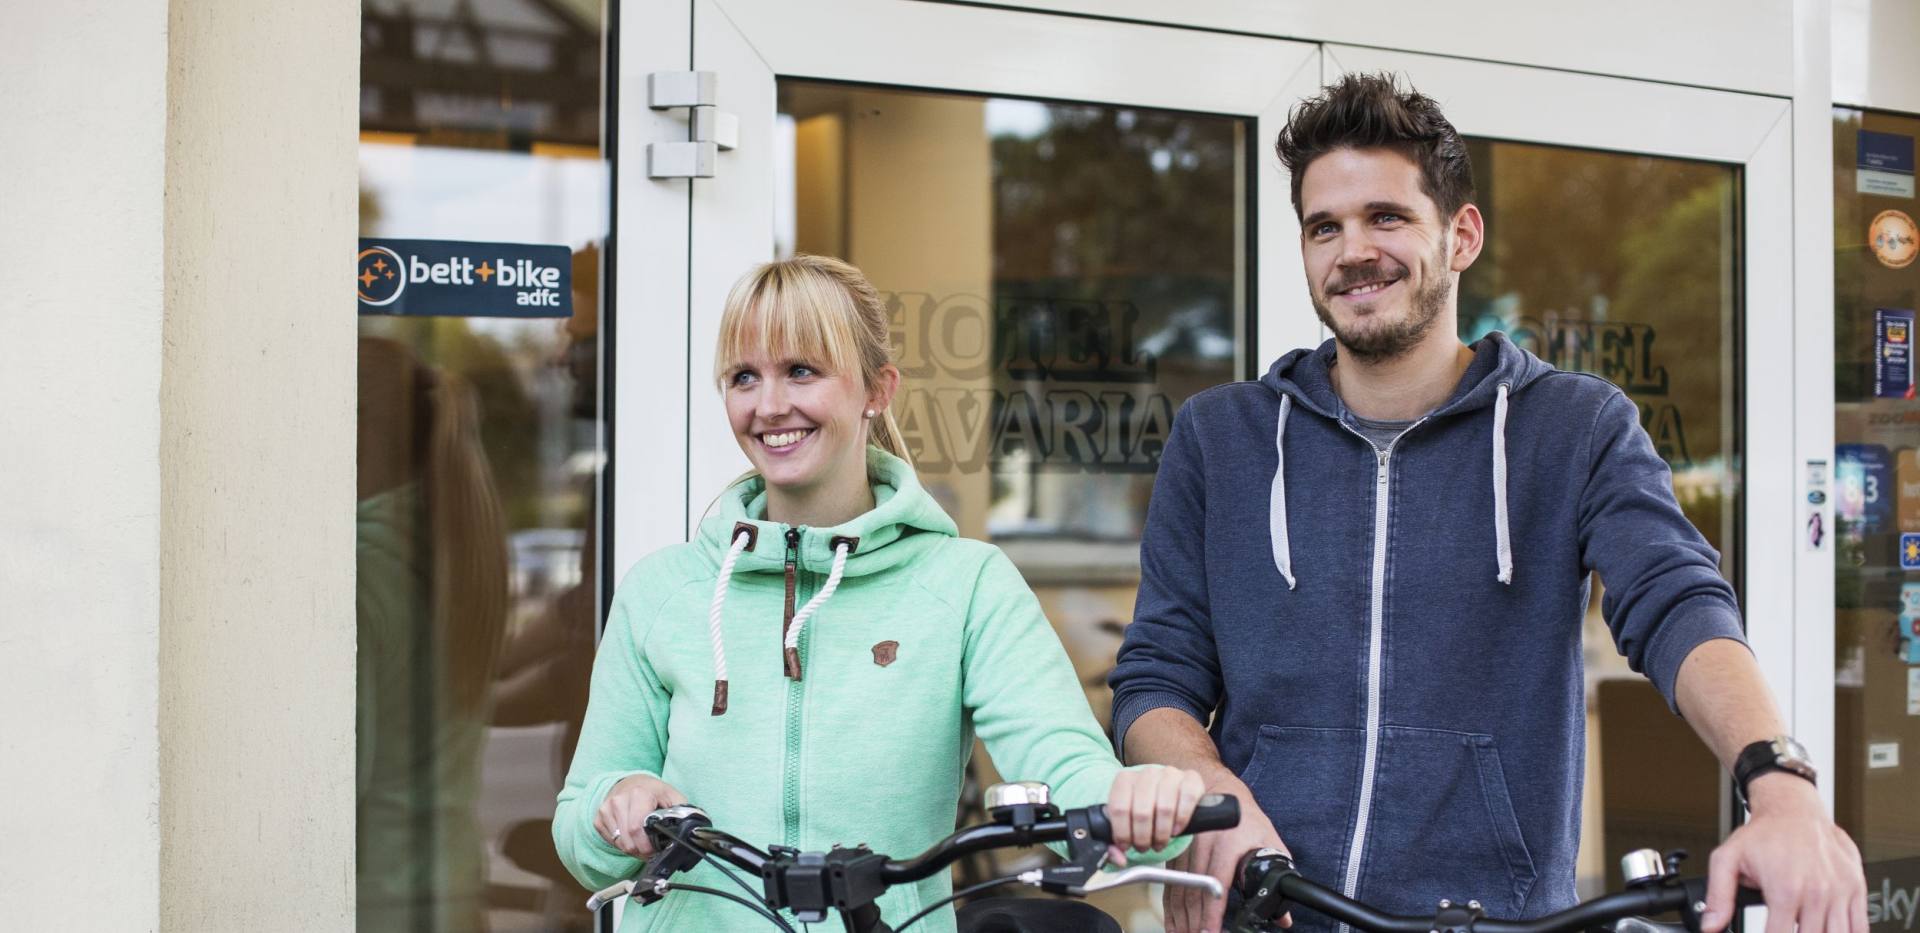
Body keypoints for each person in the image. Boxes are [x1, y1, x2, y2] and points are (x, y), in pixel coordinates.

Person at [1107, 73, 1867, 933]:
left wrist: (1778, 783)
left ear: (1462, 235)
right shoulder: (1221, 437)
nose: (1353, 250)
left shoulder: (1574, 427)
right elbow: (1155, 678)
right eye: (1326, 226)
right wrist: (1213, 789)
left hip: (1490, 918)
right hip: (1269, 912)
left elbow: (1678, 600)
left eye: (1387, 217)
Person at [553, 255, 1210, 932]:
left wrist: (1137, 799)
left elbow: (1066, 768)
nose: (769, 404)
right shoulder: (664, 589)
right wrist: (616, 801)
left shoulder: (966, 585)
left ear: (877, 389)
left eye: (801, 370)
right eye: (744, 376)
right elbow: (580, 831)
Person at [356, 336, 511, 932]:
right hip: (450, 885)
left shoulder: (363, 568)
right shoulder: (449, 544)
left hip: (379, 902)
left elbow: (339, 777)